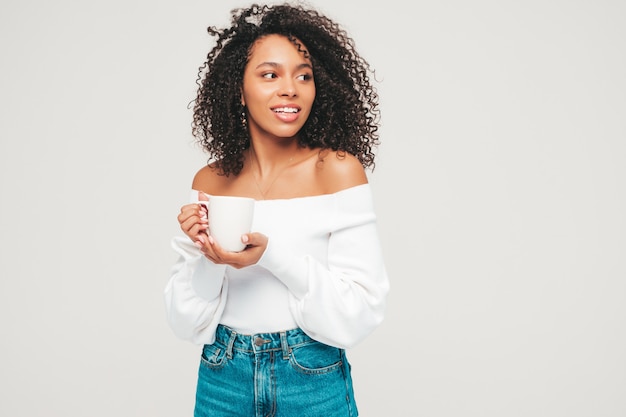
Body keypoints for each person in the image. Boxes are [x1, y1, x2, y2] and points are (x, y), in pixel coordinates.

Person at [165, 3, 389, 416]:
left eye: (303, 76)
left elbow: (359, 312)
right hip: (222, 377)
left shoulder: (336, 171)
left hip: (310, 378)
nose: (291, 89)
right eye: (270, 75)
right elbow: (184, 322)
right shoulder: (210, 182)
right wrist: (212, 257)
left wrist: (271, 256)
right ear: (238, 87)